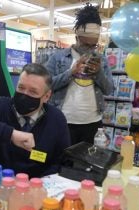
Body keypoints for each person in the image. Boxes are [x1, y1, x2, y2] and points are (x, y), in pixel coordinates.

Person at [0, 63, 70, 178]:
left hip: (37, 187)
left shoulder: (56, 119)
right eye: (21, 88)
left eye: (33, 92)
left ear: (46, 96)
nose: (24, 95)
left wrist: (41, 183)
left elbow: (61, 160)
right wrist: (10, 134)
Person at [45, 3, 113, 145]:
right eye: (85, 45)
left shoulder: (102, 60)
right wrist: (71, 72)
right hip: (63, 121)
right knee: (62, 162)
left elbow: (109, 90)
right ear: (77, 38)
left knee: (87, 165)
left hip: (93, 123)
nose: (90, 49)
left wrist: (98, 73)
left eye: (93, 45)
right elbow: (46, 85)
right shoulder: (58, 58)